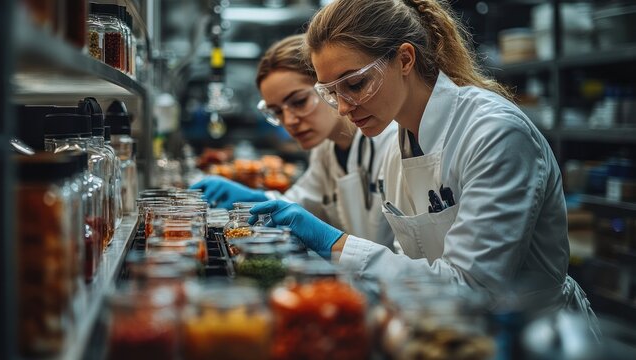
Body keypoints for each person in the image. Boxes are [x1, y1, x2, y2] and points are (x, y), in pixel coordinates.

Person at [248, 0, 599, 336]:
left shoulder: (494, 133)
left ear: (404, 59)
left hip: (532, 338)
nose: (342, 108)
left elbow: (474, 287)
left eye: (354, 84)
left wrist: (337, 244)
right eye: (331, 92)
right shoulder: (397, 142)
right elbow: (413, 262)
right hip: (448, 332)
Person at [191, 34, 397, 249]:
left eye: (299, 102)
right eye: (277, 112)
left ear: (329, 87)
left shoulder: (390, 142)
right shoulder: (326, 150)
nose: (288, 121)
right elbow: (300, 204)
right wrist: (256, 198)